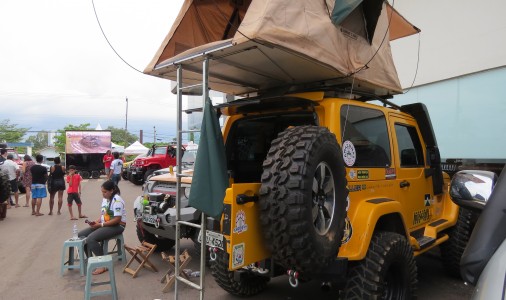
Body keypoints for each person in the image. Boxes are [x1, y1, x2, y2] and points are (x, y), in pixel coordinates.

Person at [78, 180, 126, 275]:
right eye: (102, 192)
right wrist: (97, 221)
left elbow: (117, 219)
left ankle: (103, 264)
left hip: (117, 226)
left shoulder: (117, 200)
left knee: (91, 238)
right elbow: (104, 215)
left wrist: (101, 225)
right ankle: (92, 259)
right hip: (106, 224)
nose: (103, 194)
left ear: (111, 190)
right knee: (81, 235)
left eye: (105, 192)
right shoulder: (105, 199)